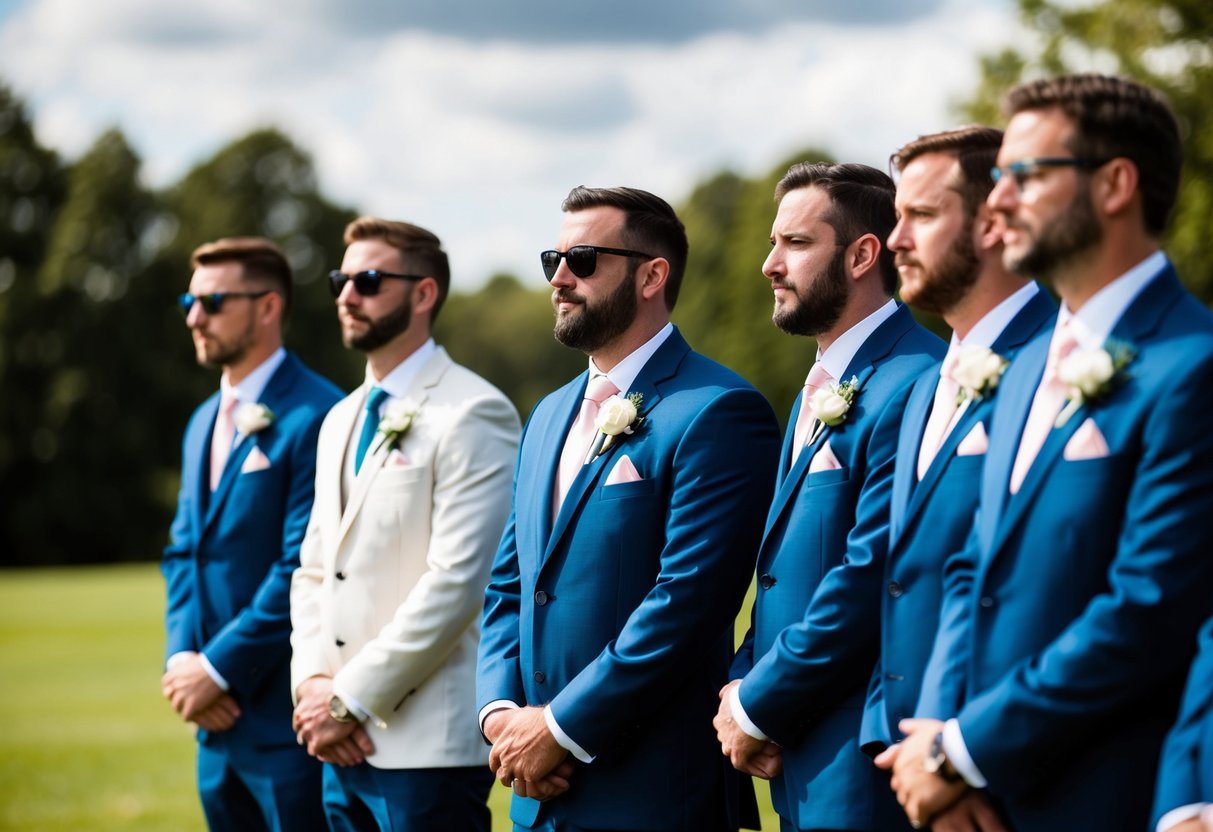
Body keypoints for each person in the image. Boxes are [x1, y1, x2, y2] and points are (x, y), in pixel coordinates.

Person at [877, 73, 1213, 832]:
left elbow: (1147, 609)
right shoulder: (1023, 368)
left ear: (1115, 184)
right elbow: (972, 569)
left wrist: (967, 750)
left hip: (1103, 794)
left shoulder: (1192, 367)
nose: (997, 204)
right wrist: (938, 741)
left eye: (1024, 176)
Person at [477, 185, 781, 831]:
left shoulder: (719, 410)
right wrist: (500, 714)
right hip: (535, 789)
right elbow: (510, 585)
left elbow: (687, 602)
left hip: (653, 790)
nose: (559, 278)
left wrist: (560, 728)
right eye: (553, 260)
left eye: (583, 260)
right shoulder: (547, 415)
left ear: (651, 276)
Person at [715, 162, 945, 831]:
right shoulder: (818, 387)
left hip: (861, 760)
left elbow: (871, 572)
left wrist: (758, 701)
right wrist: (741, 682)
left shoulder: (919, 381)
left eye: (795, 243)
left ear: (862, 255)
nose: (769, 265)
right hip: (797, 754)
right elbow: (784, 569)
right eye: (773, 243)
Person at [290, 217, 519, 831]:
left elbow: (459, 583)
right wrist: (312, 685)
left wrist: (350, 699)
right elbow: (314, 569)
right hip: (337, 744)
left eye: (367, 280)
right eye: (340, 280)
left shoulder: (475, 411)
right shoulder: (339, 419)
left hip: (425, 750)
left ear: (423, 294)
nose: (346, 295)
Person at [858, 126, 1055, 829]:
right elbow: (902, 578)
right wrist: (898, 748)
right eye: (895, 216)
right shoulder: (920, 390)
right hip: (907, 769)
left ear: (994, 223)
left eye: (922, 215)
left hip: (1017, 779)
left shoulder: (1061, 364)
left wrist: (963, 759)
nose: (895, 240)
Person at [162, 236, 341, 831]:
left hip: (286, 721)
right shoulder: (199, 423)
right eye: (189, 301)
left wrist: (217, 670)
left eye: (213, 302)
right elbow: (183, 552)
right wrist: (184, 664)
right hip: (213, 723)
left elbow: (301, 565)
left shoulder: (320, 414)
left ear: (267, 306)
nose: (195, 317)